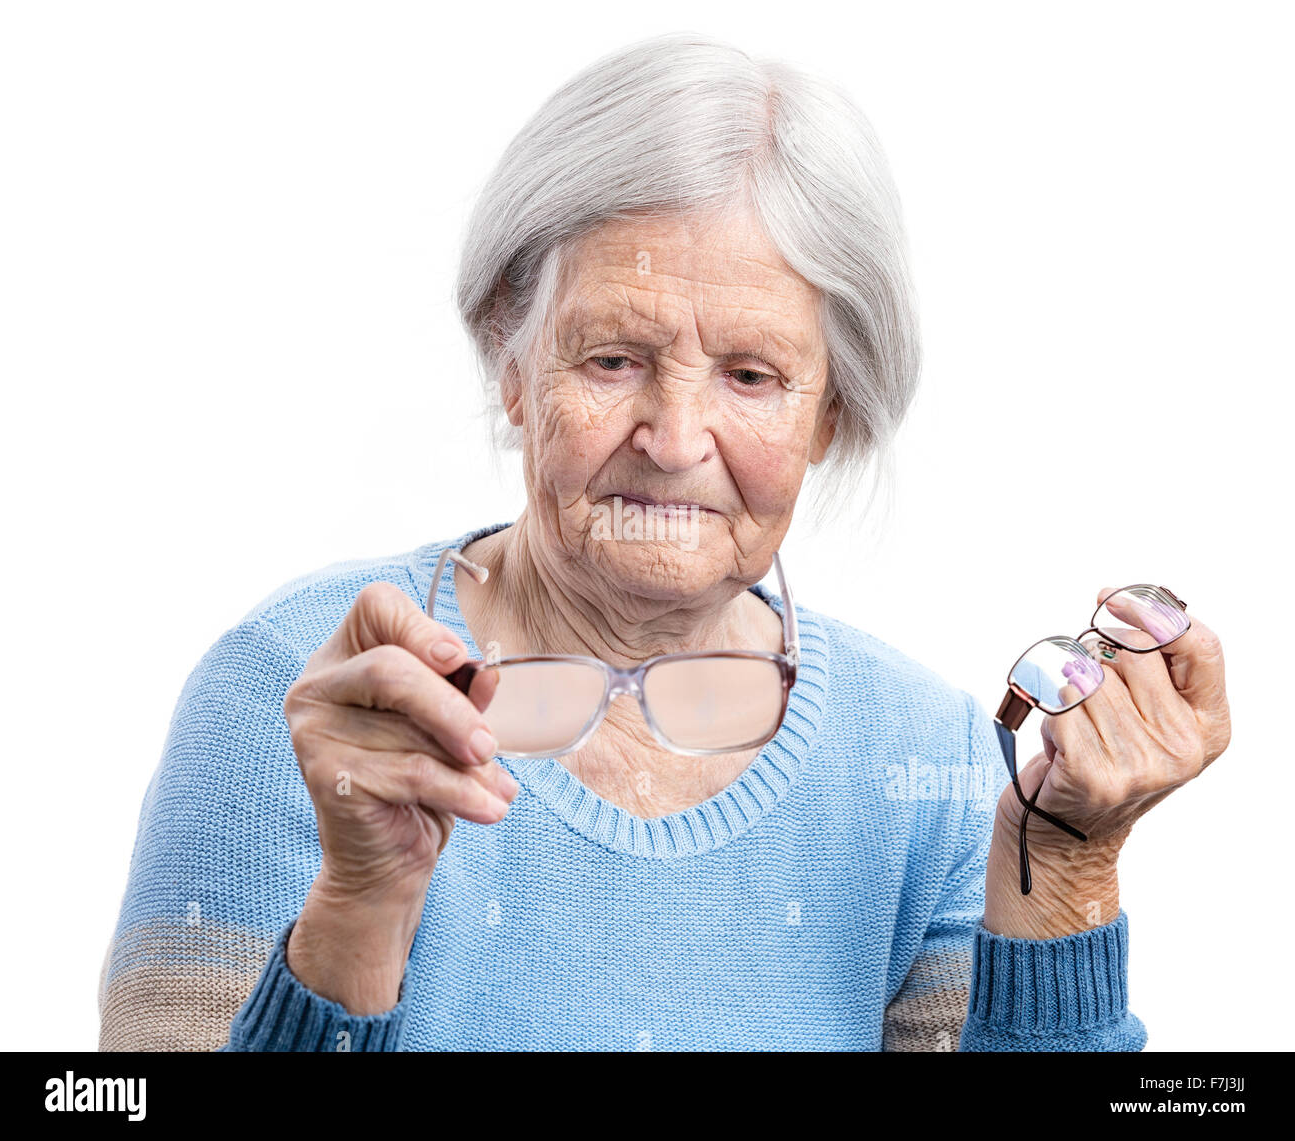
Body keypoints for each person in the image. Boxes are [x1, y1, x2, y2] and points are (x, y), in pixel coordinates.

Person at [98, 33, 1230, 1051]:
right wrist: (357, 911)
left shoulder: (927, 762)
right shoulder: (299, 691)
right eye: (613, 359)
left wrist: (1067, 863)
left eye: (750, 376)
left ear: (830, 412)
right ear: (509, 361)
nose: (676, 438)